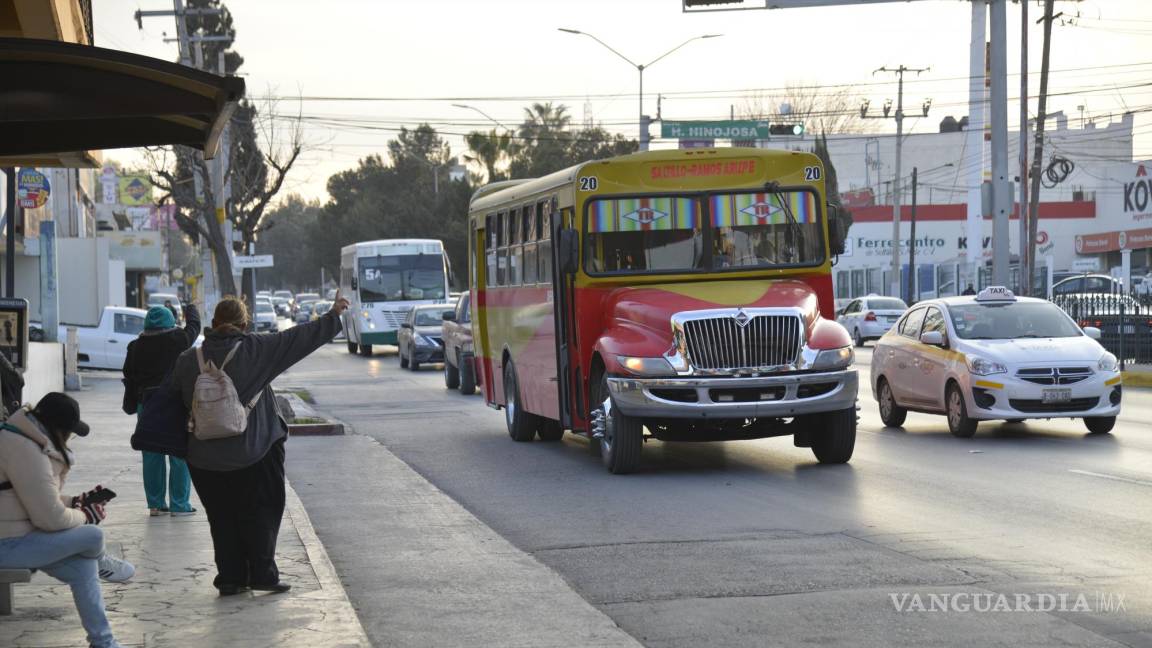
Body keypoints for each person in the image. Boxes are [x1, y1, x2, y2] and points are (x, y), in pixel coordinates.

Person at [172, 293, 348, 596]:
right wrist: (332, 315)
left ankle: (230, 577)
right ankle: (263, 574)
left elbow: (172, 399)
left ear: (214, 323)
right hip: (254, 452)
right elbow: (299, 338)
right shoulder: (257, 350)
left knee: (222, 517)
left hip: (203, 458)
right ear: (245, 323)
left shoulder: (189, 360)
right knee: (261, 512)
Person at [0, 393, 134, 648]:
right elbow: (49, 518)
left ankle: (104, 643)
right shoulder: (25, 451)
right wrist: (86, 516)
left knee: (84, 568)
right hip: (7, 544)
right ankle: (99, 554)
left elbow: (30, 496)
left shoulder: (19, 438)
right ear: (56, 428)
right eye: (69, 433)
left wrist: (75, 501)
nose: (69, 438)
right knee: (92, 536)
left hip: (17, 536)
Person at [122, 302, 201, 516]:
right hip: (174, 403)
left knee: (151, 453)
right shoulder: (179, 341)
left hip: (146, 404)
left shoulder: (135, 346)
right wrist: (190, 307)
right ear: (170, 323)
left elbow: (129, 375)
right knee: (178, 453)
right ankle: (179, 504)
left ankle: (155, 504)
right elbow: (194, 326)